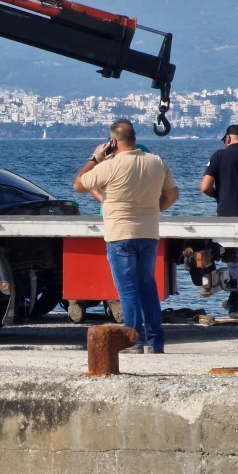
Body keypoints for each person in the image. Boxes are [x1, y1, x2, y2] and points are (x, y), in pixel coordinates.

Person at [73, 120, 179, 354]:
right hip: (148, 233)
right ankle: (156, 342)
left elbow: (79, 184)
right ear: (134, 138)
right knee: (147, 286)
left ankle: (134, 341)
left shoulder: (110, 165)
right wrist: (154, 210)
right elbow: (172, 195)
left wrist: (95, 158)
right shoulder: (156, 162)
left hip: (120, 234)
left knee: (128, 290)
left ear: (113, 141)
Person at [199, 124, 238, 318]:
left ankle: (236, 302)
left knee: (233, 258)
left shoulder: (219, 156)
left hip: (228, 213)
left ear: (228, 139)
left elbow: (205, 187)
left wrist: (219, 195)